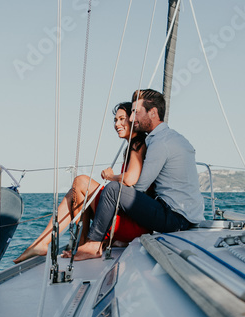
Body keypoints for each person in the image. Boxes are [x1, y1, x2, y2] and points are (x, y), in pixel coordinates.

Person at [67, 88, 204, 260]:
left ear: (153, 113)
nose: (131, 118)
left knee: (113, 190)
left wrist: (112, 178)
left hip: (174, 218)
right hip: (191, 218)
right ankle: (97, 241)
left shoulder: (159, 142)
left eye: (136, 112)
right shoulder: (176, 138)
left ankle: (94, 245)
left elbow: (139, 185)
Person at [13, 102, 147, 263]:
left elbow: (131, 179)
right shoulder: (132, 145)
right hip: (125, 217)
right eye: (115, 120)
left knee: (81, 182)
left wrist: (111, 176)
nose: (117, 124)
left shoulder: (138, 144)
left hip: (131, 225)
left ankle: (82, 244)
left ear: (132, 120)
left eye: (122, 119)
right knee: (74, 193)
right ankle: (43, 243)